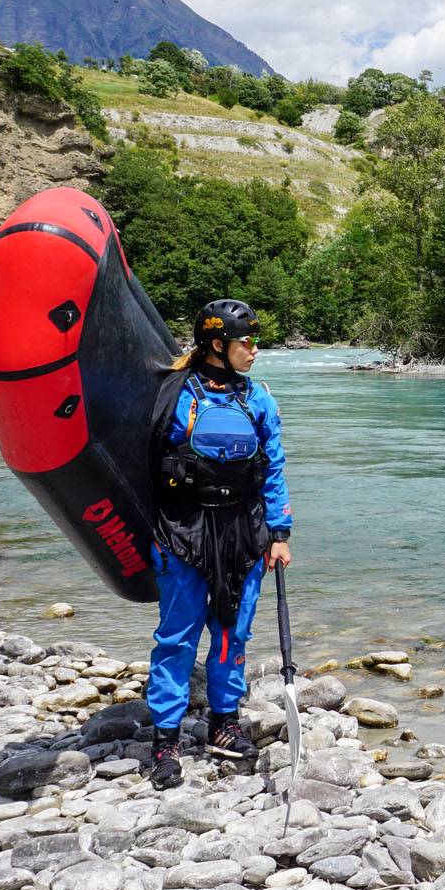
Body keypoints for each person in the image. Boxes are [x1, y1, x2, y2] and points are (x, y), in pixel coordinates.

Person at [147, 298, 293, 789]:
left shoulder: (259, 399)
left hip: (244, 531)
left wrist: (279, 533)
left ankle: (223, 724)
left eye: (255, 341)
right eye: (246, 342)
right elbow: (138, 460)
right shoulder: (173, 396)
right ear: (216, 345)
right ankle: (165, 739)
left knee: (232, 635)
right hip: (183, 528)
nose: (254, 350)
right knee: (177, 637)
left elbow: (273, 468)